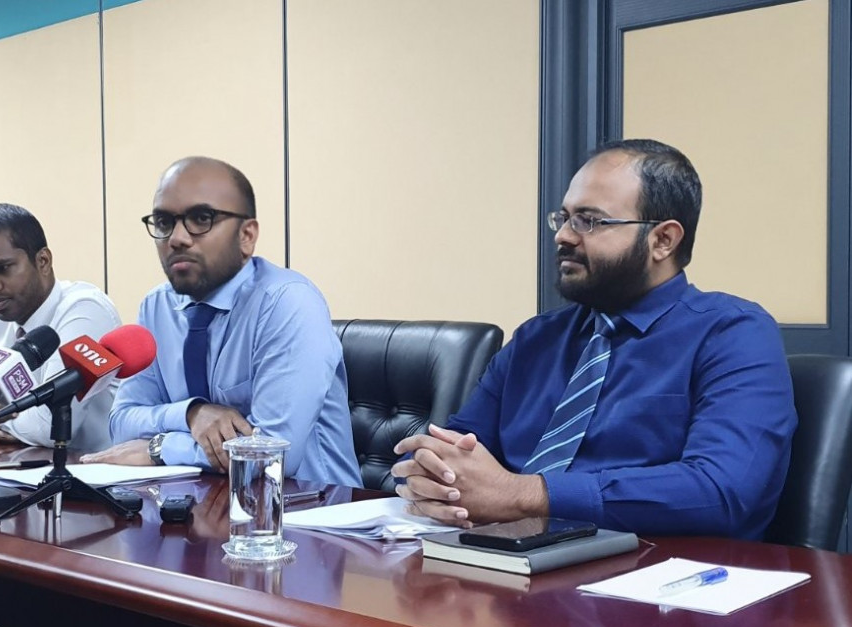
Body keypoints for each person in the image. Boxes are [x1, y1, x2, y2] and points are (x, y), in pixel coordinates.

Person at [392, 139, 796, 540]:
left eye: (590, 221)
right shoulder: (537, 338)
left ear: (663, 240)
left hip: (657, 568)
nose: (564, 236)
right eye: (564, 218)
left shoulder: (733, 333)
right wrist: (432, 473)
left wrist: (524, 495)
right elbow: (451, 447)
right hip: (504, 557)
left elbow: (721, 491)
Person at [81, 157, 360, 487]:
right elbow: (121, 424)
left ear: (247, 235)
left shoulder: (288, 303)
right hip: (199, 503)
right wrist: (192, 413)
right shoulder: (157, 307)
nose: (177, 238)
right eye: (164, 222)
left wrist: (161, 447)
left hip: (310, 508)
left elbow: (270, 455)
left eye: (201, 218)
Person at [0, 203, 121, 451]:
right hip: (19, 466)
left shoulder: (86, 309)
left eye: (2, 268)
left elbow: (49, 426)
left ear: (43, 261)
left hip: (91, 471)